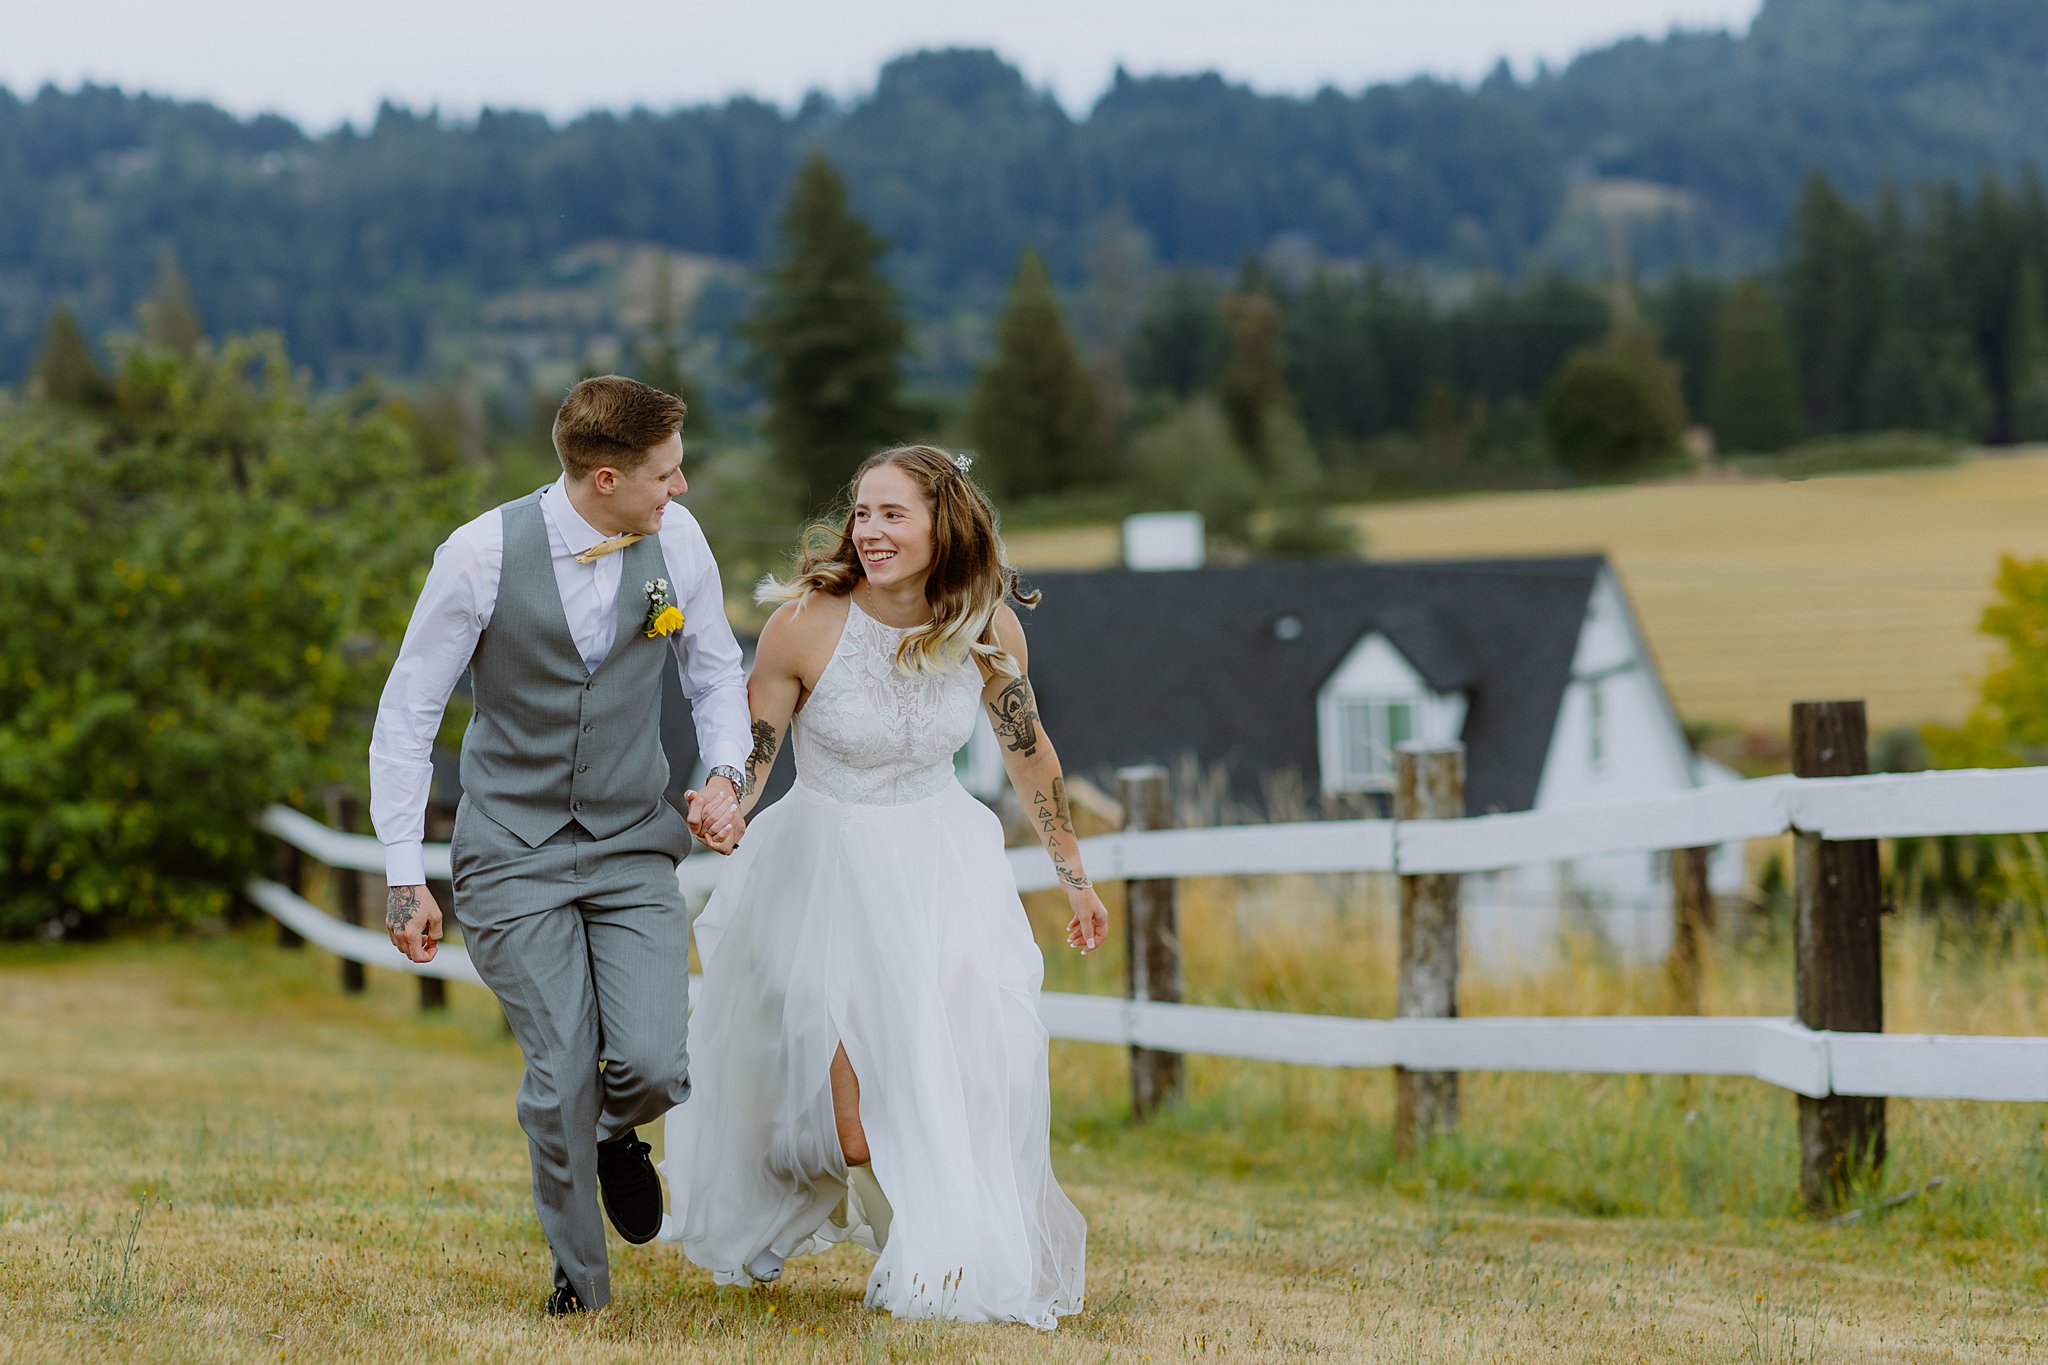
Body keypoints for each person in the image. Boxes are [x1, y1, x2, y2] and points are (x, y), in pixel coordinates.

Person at [660, 444, 1100, 1328]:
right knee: (850, 1129)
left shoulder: (987, 627)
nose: (869, 531)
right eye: (862, 513)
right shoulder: (806, 624)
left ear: (944, 524)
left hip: (945, 866)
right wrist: (725, 803)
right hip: (827, 866)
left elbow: (1029, 755)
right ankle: (798, 1191)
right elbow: (754, 751)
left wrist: (1072, 876)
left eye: (892, 514)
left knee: (986, 1065)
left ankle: (947, 1251)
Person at [369, 375, 751, 1316]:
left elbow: (714, 673)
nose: (684, 487)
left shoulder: (678, 542)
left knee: (657, 1060)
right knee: (562, 1067)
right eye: (668, 472)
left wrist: (726, 777)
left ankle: (613, 1134)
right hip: (511, 847)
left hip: (630, 839)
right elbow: (407, 714)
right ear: (607, 477)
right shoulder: (479, 554)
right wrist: (403, 877)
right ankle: (581, 1283)